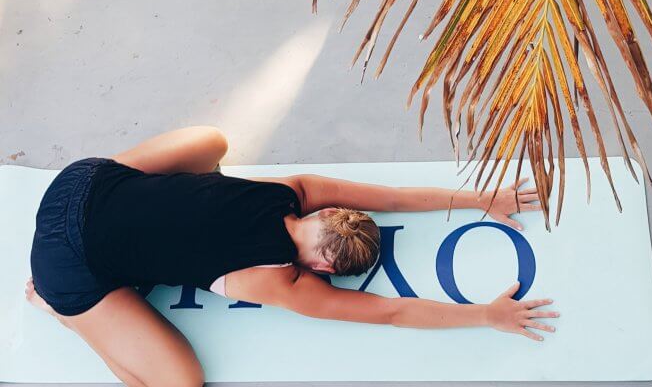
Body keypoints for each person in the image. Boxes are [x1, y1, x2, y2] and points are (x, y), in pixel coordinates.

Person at [24, 126, 558, 386]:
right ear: (324, 269)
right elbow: (394, 311)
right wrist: (486, 315)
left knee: (212, 141)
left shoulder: (294, 190)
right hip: (64, 262)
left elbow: (393, 198)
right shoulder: (281, 281)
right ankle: (63, 311)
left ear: (327, 212)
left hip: (80, 181)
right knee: (181, 381)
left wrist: (480, 198)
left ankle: (118, 246)